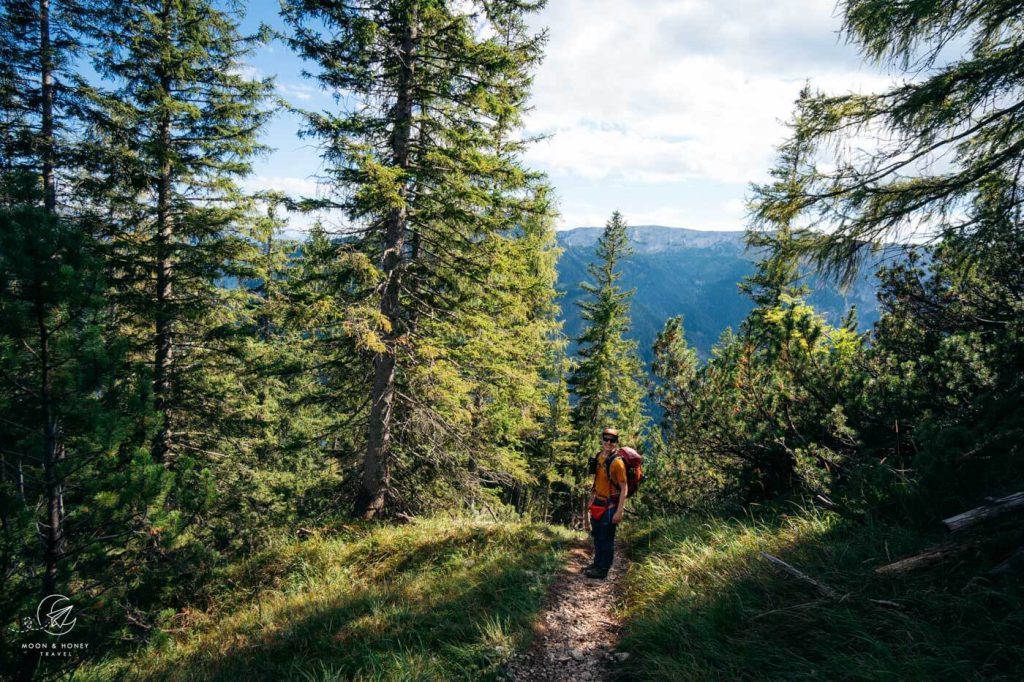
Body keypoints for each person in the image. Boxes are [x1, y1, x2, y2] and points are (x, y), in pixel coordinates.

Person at [582, 427, 628, 579]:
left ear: (616, 442)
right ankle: (596, 564)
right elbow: (597, 481)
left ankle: (603, 570)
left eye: (612, 440)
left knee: (606, 538)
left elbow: (624, 487)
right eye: (606, 439)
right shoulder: (599, 457)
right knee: (597, 535)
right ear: (601, 440)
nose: (608, 443)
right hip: (598, 501)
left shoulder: (617, 463)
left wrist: (620, 510)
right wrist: (591, 500)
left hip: (610, 505)